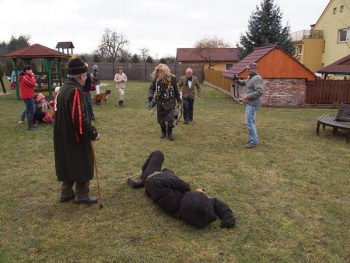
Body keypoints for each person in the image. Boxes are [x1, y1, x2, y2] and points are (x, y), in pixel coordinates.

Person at [127, 150, 236, 229]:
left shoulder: (171, 197)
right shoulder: (185, 211)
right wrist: (228, 216)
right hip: (159, 184)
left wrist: (189, 188)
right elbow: (216, 203)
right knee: (168, 171)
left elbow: (163, 181)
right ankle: (156, 176)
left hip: (151, 180)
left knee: (158, 154)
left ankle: (140, 182)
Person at [54, 57, 100, 205]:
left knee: (68, 161)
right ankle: (81, 195)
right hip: (75, 135)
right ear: (80, 75)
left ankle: (66, 193)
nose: (86, 77)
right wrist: (93, 133)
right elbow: (78, 118)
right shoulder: (75, 91)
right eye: (85, 74)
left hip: (63, 134)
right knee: (82, 161)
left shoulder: (64, 88)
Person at [148, 64, 181, 141]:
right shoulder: (156, 80)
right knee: (160, 120)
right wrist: (150, 96)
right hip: (160, 102)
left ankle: (170, 133)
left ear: (165, 71)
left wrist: (178, 98)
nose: (159, 72)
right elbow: (151, 89)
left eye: (160, 71)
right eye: (157, 71)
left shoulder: (172, 78)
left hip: (170, 102)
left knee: (170, 119)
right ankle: (163, 132)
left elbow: (176, 90)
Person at [233, 63, 264, 148]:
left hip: (253, 104)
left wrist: (247, 96)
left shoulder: (257, 79)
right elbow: (246, 83)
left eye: (249, 69)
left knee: (249, 122)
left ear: (254, 69)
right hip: (249, 103)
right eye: (247, 69)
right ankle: (253, 139)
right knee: (251, 122)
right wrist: (238, 81)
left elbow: (260, 91)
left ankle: (254, 141)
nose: (247, 70)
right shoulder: (251, 77)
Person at [18, 65, 37, 131]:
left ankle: (31, 125)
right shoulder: (25, 77)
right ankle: (30, 126)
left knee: (30, 110)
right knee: (31, 110)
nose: (32, 71)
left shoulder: (26, 77)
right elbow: (33, 83)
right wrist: (33, 76)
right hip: (27, 96)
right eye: (30, 70)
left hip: (28, 95)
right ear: (27, 70)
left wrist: (32, 77)